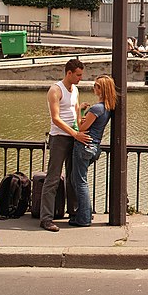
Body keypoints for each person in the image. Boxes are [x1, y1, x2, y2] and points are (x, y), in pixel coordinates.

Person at [40, 59, 89, 232]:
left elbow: (75, 112)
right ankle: (46, 219)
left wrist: (81, 121)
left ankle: (74, 213)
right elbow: (55, 118)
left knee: (73, 177)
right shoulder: (55, 90)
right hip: (60, 138)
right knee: (53, 178)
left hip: (73, 137)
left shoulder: (75, 89)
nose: (80, 78)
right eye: (78, 75)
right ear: (69, 73)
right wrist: (75, 133)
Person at [69, 74, 116, 227]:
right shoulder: (107, 108)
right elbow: (88, 124)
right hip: (94, 147)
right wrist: (84, 115)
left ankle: (84, 218)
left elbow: (80, 127)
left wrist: (78, 111)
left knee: (80, 182)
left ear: (101, 89)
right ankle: (86, 213)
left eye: (96, 86)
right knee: (77, 180)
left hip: (84, 146)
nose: (93, 88)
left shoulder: (96, 108)